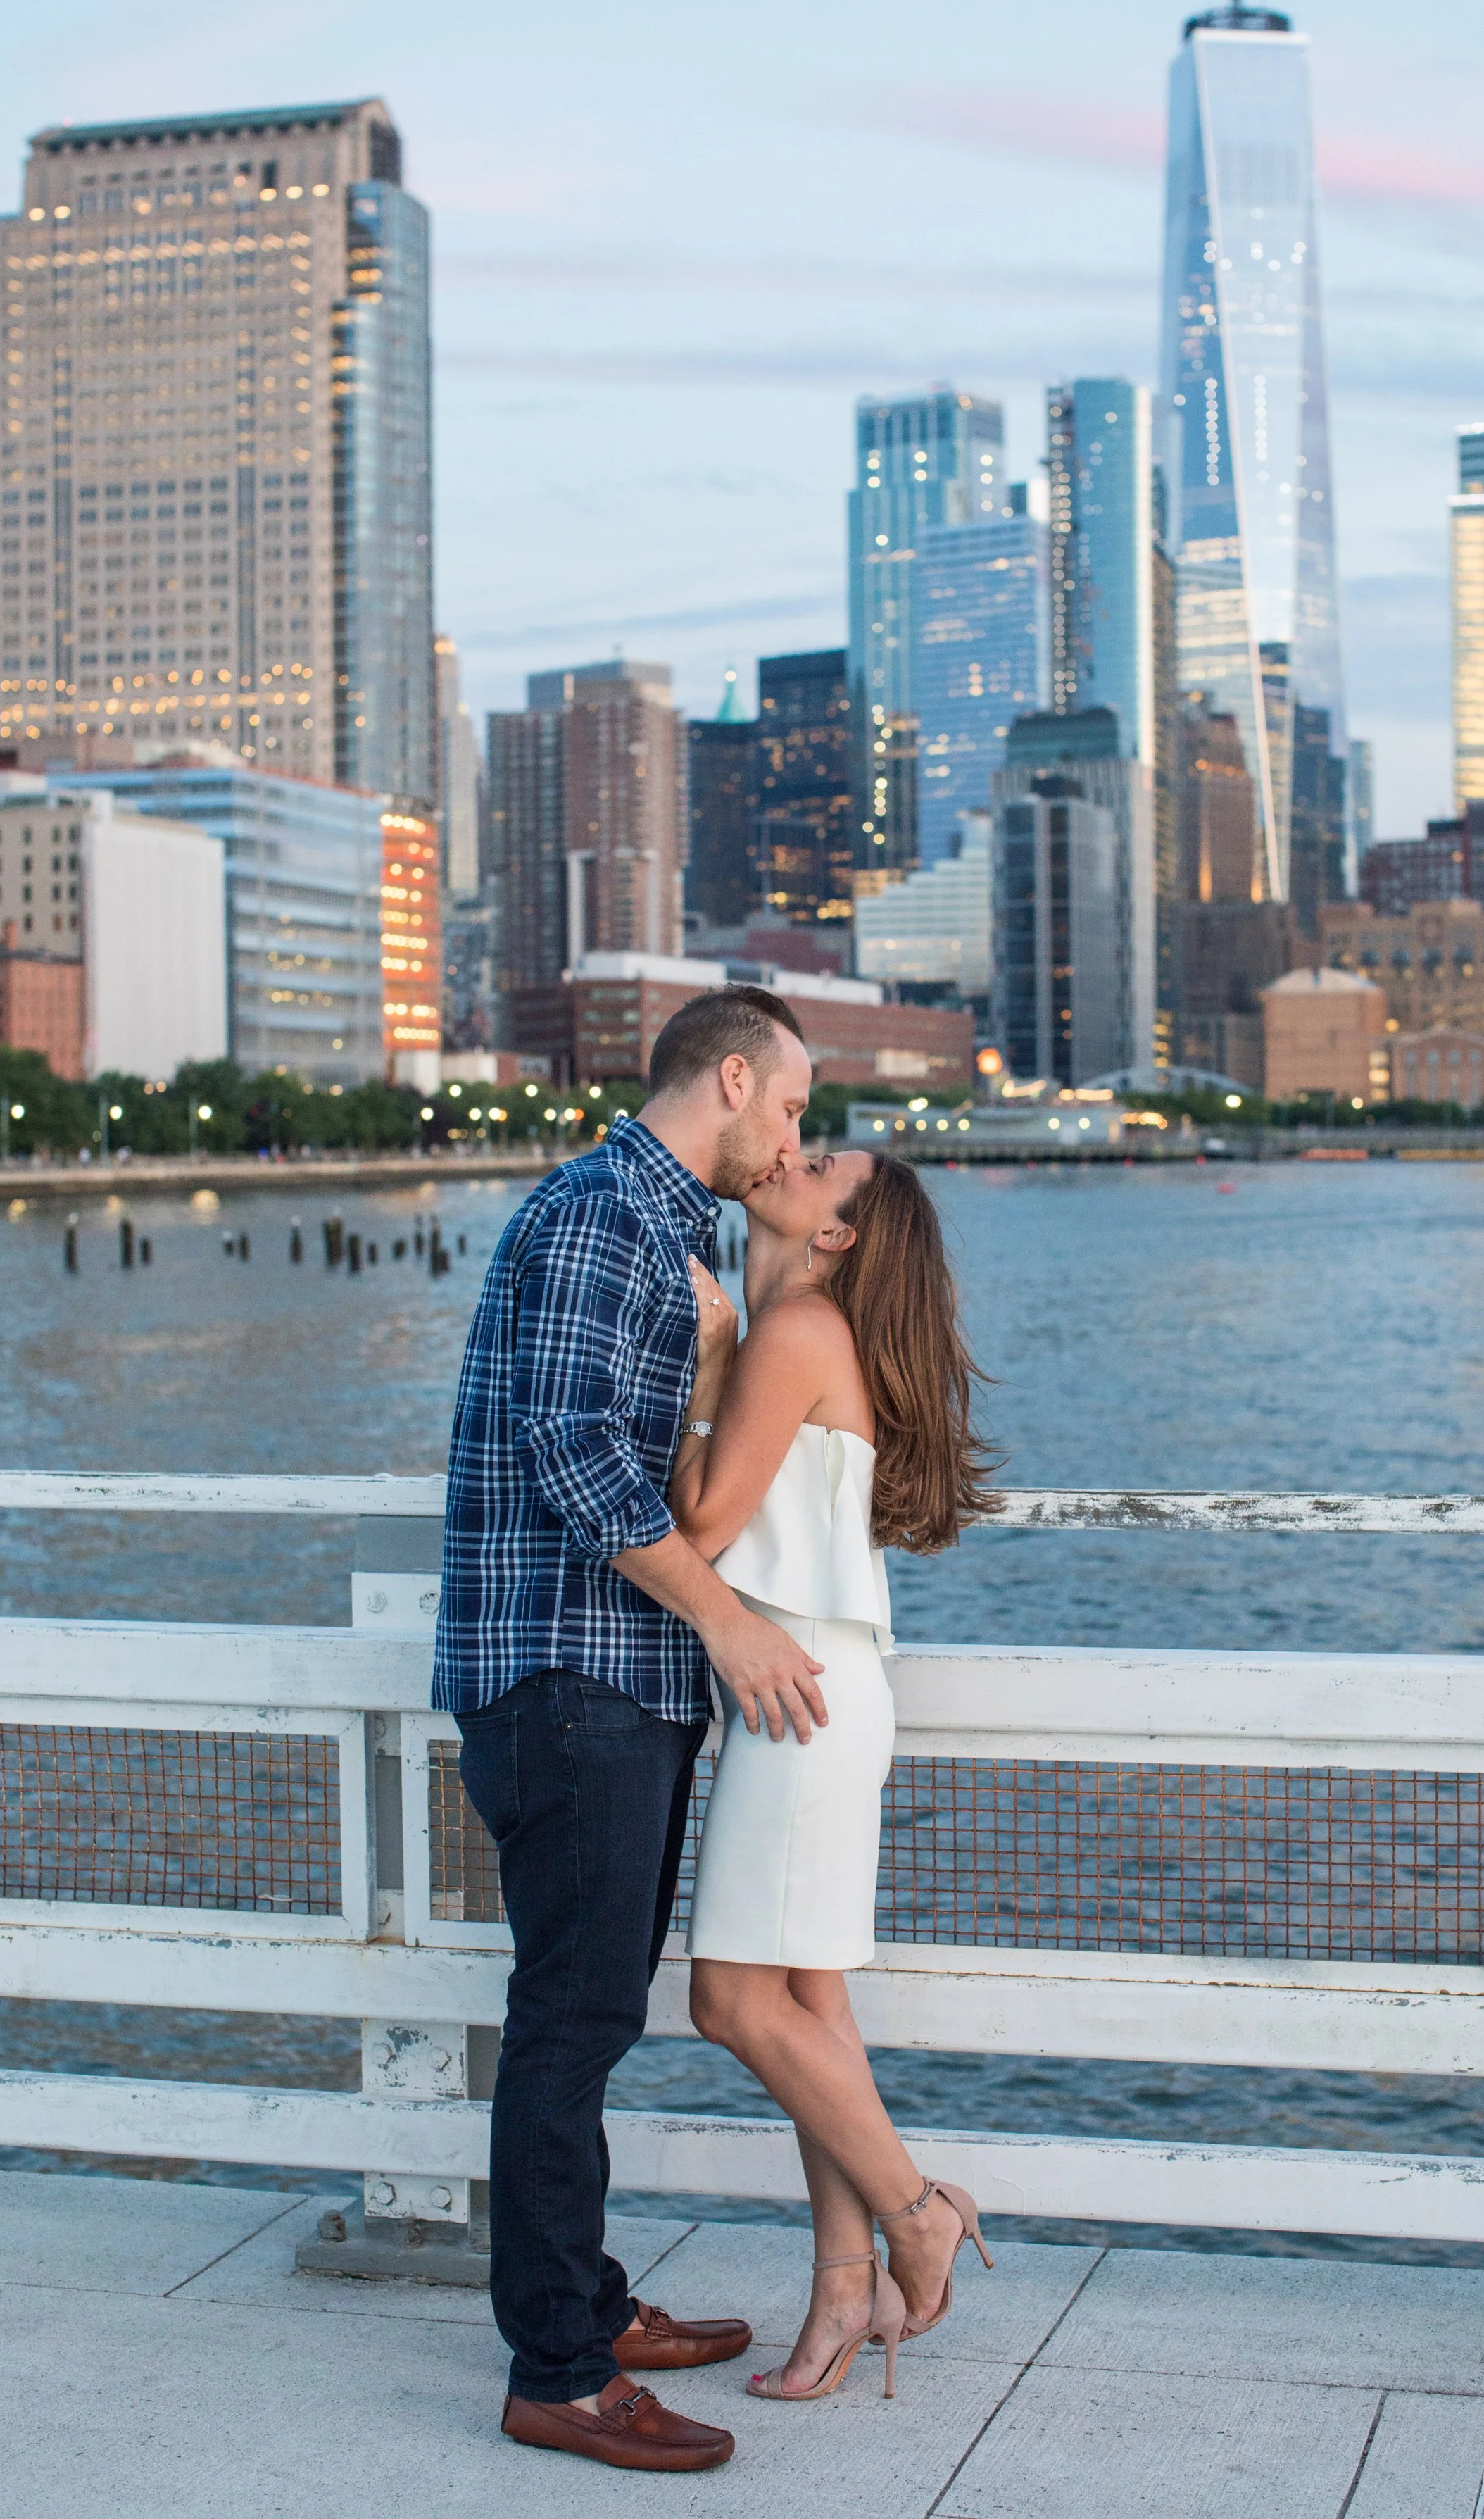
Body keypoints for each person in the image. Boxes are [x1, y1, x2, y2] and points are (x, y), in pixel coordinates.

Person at [435, 985, 830, 2476]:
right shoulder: (605, 1210)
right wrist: (728, 1625)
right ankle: (556, 2369)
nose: (794, 1134)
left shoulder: (660, 1227)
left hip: (606, 1680)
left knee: (584, 2013)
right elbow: (572, 1449)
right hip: (568, 1680)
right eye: (787, 1105)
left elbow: (655, 1448)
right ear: (729, 1079)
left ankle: (585, 2308)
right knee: (570, 2021)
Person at [668, 1144, 1000, 2402]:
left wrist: (708, 1368)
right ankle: (842, 2286)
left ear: (839, 1237)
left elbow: (697, 1530)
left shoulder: (796, 1332)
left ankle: (915, 2206)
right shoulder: (801, 1328)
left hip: (794, 1696)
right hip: (824, 1687)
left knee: (729, 2002)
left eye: (818, 1165)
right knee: (811, 2006)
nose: (789, 1159)